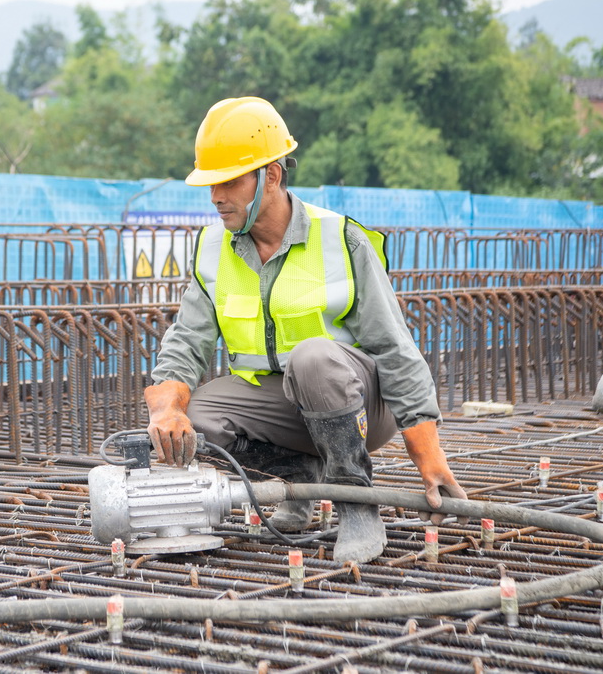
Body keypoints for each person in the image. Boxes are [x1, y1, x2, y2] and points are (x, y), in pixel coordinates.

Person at [144, 96, 467, 564]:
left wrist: (428, 456)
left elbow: (395, 350)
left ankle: (356, 503)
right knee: (196, 418)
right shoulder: (214, 247)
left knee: (313, 357)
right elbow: (187, 341)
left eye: (229, 181)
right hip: (285, 408)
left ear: (272, 176)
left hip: (359, 404)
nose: (216, 197)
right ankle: (300, 475)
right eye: (211, 183)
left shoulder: (340, 240)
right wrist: (167, 408)